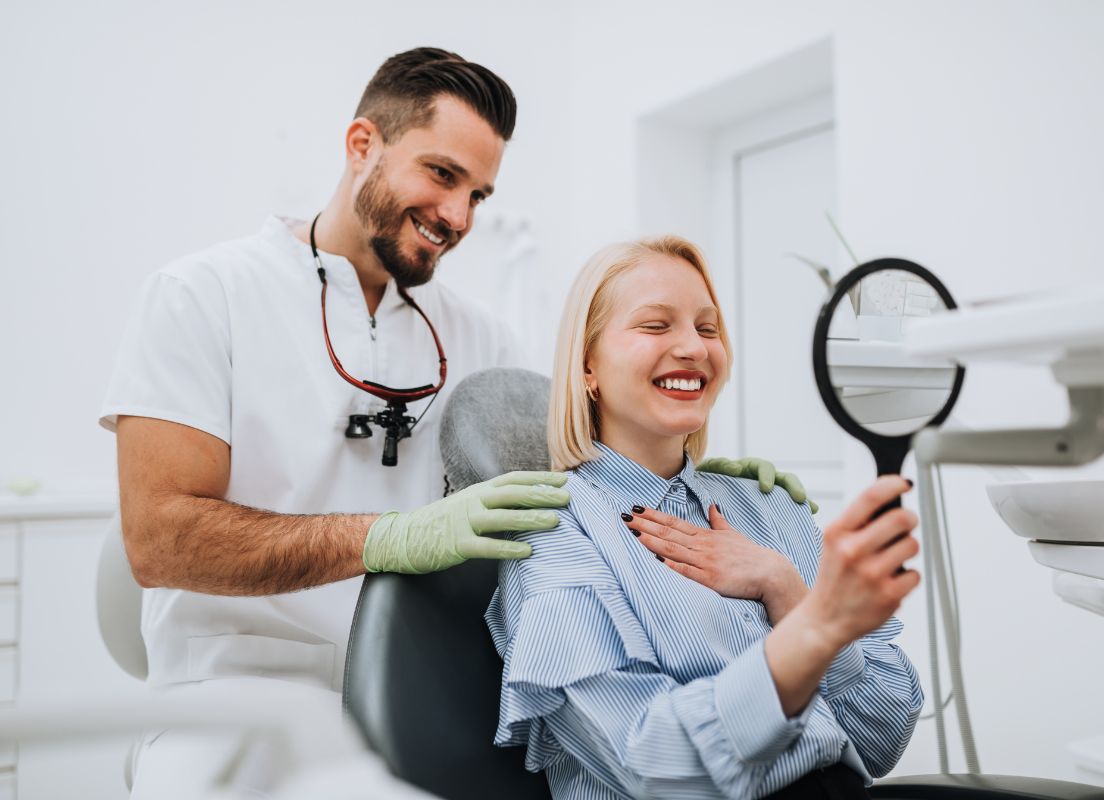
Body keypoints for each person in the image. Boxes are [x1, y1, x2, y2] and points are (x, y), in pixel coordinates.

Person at [101, 49, 802, 795]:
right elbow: (160, 539)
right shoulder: (202, 296)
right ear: (362, 144)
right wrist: (386, 539)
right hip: (235, 699)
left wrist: (685, 470)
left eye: (480, 194)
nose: (459, 217)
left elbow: (583, 474)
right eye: (442, 175)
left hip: (433, 691)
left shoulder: (481, 340)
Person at [487, 236, 924, 799]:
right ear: (588, 364)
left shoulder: (771, 506)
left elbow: (883, 738)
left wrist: (787, 591)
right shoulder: (555, 530)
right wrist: (814, 632)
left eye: (708, 328)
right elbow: (651, 762)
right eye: (655, 325)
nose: (694, 347)